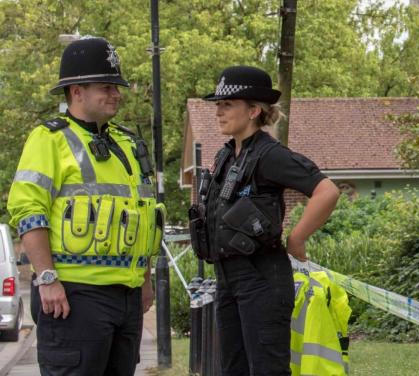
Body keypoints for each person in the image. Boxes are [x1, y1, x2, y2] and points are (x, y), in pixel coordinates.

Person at [7, 36, 163, 375]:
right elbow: (28, 212)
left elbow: (142, 218)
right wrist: (47, 279)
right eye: (106, 87)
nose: (116, 94)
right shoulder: (49, 139)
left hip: (126, 297)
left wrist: (145, 280)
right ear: (76, 91)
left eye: (116, 86)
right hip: (74, 297)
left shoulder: (128, 144)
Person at [191, 65, 340, 376]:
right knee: (234, 369)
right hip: (227, 277)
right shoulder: (227, 155)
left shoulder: (268, 154)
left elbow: (326, 191)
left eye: (227, 104)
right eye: (218, 104)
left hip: (261, 279)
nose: (219, 112)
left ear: (254, 110)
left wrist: (297, 239)